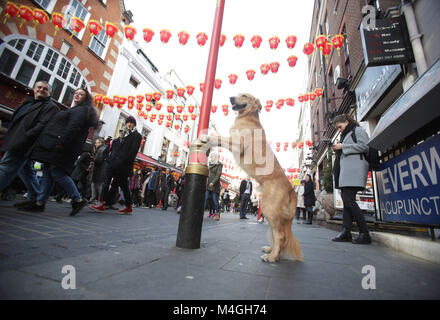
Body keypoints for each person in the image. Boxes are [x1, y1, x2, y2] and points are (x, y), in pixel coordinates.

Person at [25, 87, 98, 215]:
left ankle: (77, 199)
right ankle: (40, 202)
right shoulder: (77, 109)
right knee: (48, 171)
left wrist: (61, 144)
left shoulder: (81, 110)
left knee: (57, 172)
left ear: (85, 98)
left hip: (62, 146)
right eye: (75, 93)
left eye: (80, 94)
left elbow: (72, 127)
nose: (77, 96)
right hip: (60, 144)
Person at [0, 81, 59, 207]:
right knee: (26, 171)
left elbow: (42, 125)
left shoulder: (50, 107)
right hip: (15, 139)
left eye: (45, 89)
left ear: (49, 93)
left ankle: (36, 198)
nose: (41, 90)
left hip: (24, 142)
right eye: (39, 87)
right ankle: (35, 197)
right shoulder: (28, 103)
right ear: (34, 89)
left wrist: (26, 136)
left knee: (5, 167)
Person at [331, 113, 372, 245]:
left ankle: (364, 233)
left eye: (340, 127)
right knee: (346, 200)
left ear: (347, 122)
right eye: (337, 128)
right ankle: (346, 232)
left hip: (355, 170)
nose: (339, 130)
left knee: (349, 200)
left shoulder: (357, 130)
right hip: (347, 171)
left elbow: (365, 146)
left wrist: (343, 147)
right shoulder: (345, 134)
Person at [90, 116, 142, 215]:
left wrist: (122, 161)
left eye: (131, 123)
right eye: (127, 122)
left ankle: (104, 204)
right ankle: (128, 206)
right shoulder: (126, 135)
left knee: (115, 185)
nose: (129, 124)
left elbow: (133, 152)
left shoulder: (137, 135)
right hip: (118, 165)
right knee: (124, 186)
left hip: (124, 166)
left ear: (134, 124)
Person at [205, 152, 222, 220]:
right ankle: (200, 212)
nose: (211, 158)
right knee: (205, 199)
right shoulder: (209, 164)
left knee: (215, 200)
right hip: (207, 184)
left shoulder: (219, 165)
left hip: (214, 185)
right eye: (211, 156)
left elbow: (218, 175)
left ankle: (218, 213)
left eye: (213, 156)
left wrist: (213, 182)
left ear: (216, 157)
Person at [90, 138, 107, 203]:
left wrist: (93, 158)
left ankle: (100, 201)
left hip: (99, 170)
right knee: (96, 185)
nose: (95, 144)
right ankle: (95, 200)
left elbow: (98, 160)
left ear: (100, 143)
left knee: (97, 185)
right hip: (100, 170)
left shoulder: (101, 149)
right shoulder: (102, 149)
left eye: (96, 143)